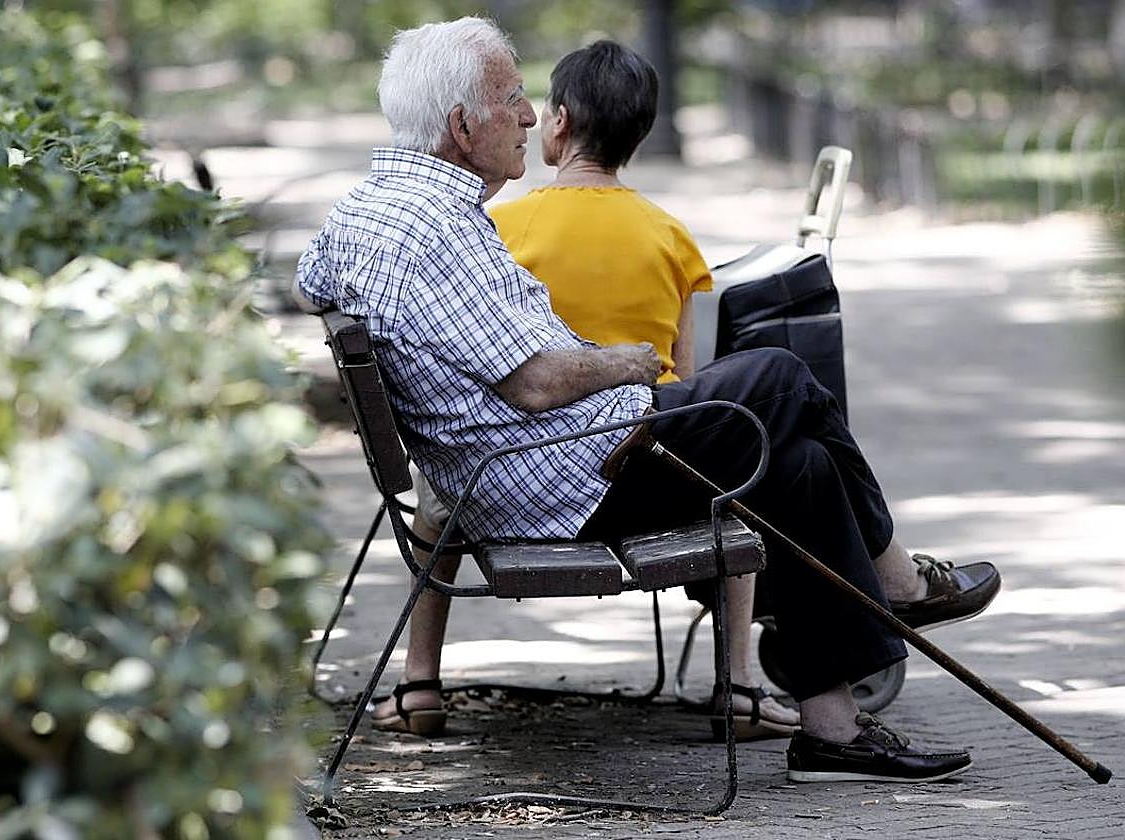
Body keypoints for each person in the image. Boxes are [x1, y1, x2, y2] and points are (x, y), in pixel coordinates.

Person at [294, 18, 1000, 783]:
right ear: (463, 127)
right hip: (569, 478)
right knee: (783, 375)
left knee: (801, 464)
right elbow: (533, 383)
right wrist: (627, 362)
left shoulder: (371, 209)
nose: (529, 115)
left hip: (547, 463)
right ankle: (898, 582)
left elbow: (310, 280)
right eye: (513, 98)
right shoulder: (435, 230)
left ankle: (832, 732)